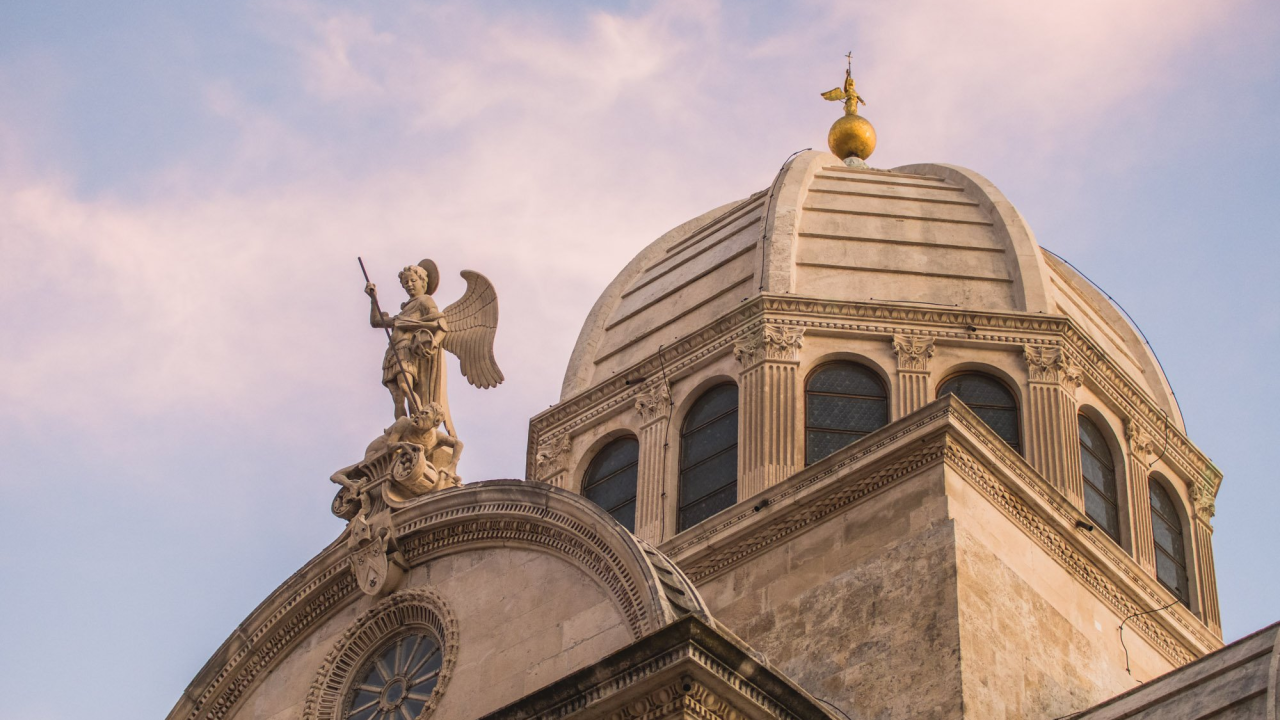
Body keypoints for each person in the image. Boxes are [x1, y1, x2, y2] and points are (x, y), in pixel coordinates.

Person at [365, 263, 448, 419]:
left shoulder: (425, 301)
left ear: (422, 281)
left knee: (406, 387)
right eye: (405, 283)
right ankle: (403, 427)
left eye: (413, 281)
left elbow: (441, 324)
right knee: (397, 397)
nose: (409, 285)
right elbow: (376, 322)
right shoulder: (404, 312)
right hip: (392, 352)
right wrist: (373, 299)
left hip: (406, 350)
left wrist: (434, 342)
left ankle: (420, 419)